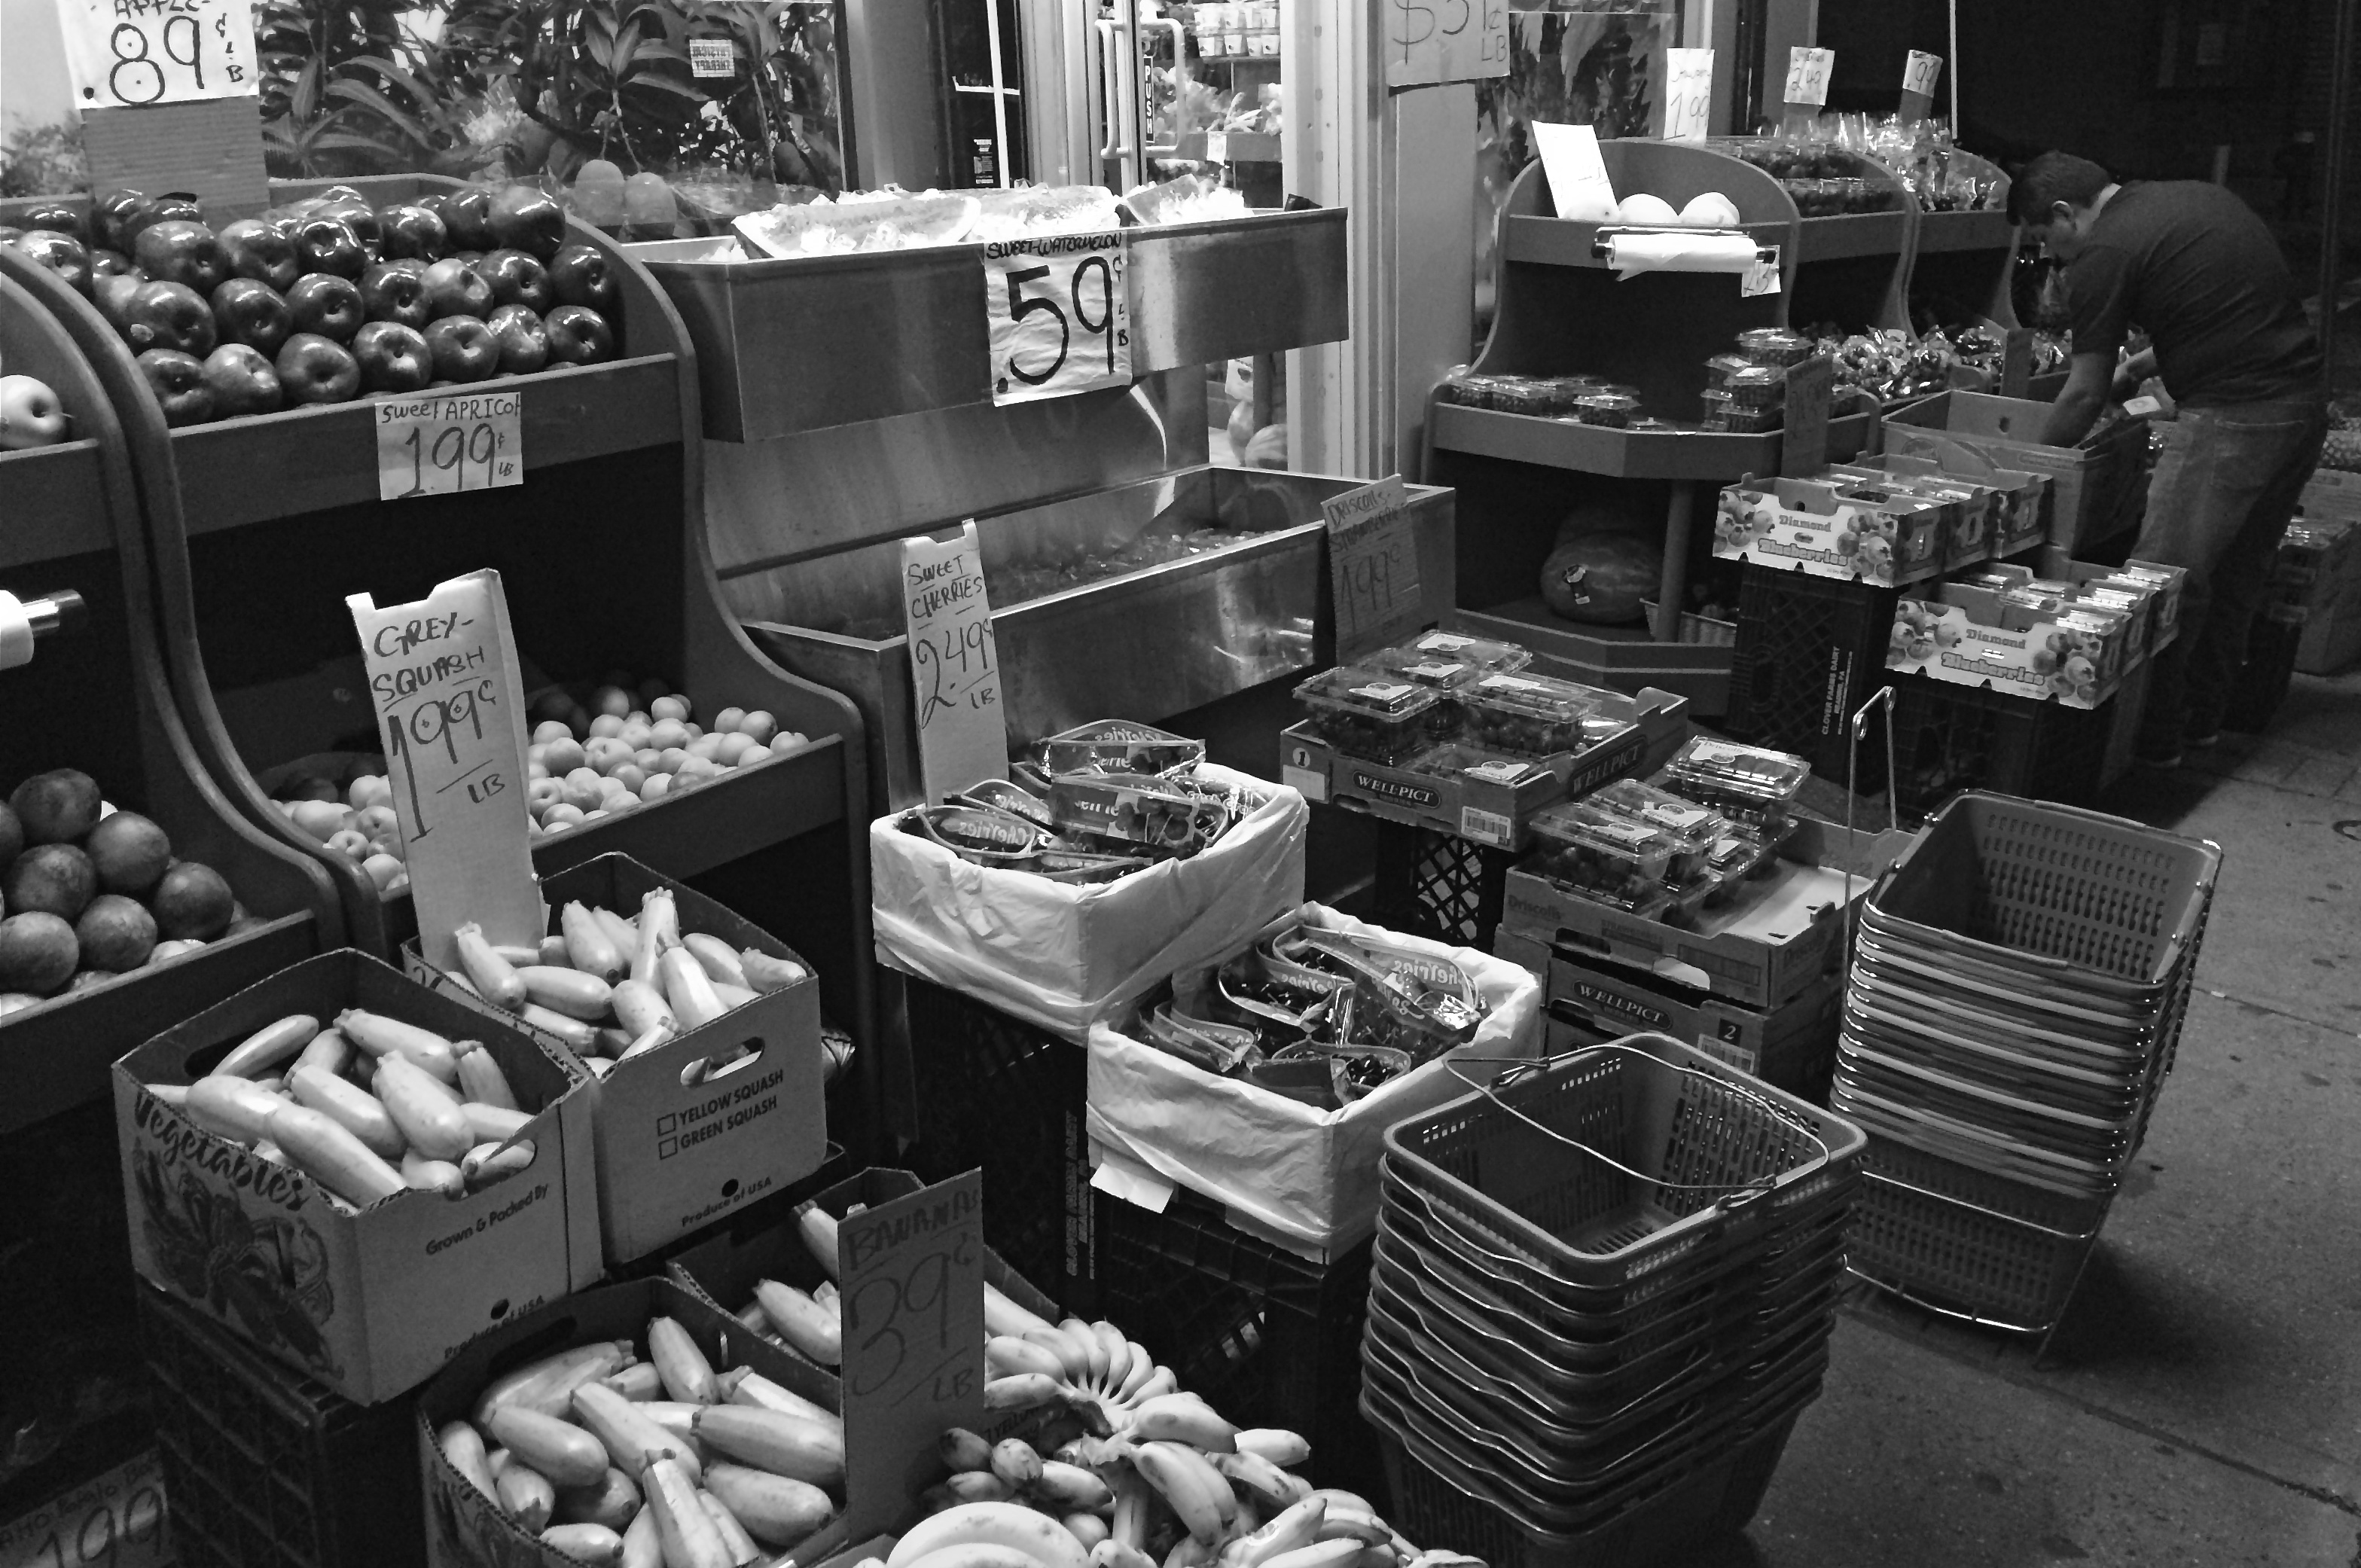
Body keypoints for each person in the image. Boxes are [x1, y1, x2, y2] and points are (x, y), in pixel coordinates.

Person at [2010, 151, 2327, 767]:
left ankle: (2145, 743)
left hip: (2233, 418)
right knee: (2235, 576)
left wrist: (2026, 463)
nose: (2051, 259)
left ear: (2062, 214)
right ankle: (2199, 726)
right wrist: (2144, 363)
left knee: (2154, 585)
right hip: (2299, 408)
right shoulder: (2189, 196)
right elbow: (2228, 306)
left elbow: (2081, 393)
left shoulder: (2103, 253)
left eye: (2045, 242)